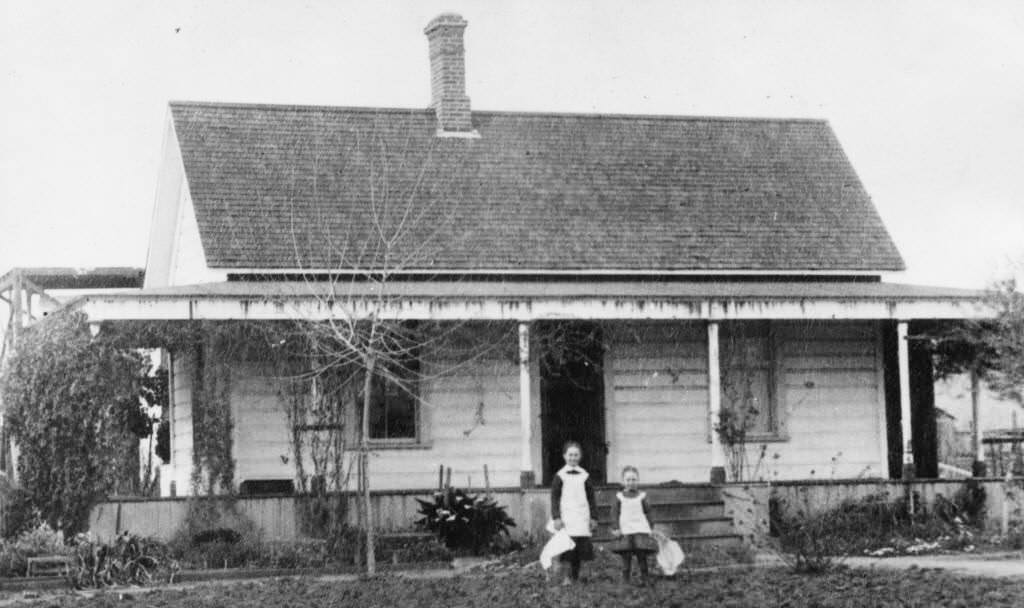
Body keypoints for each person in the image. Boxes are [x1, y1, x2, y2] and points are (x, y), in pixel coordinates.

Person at [550, 441, 597, 584]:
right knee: (568, 547)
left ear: (580, 456)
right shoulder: (560, 476)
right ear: (564, 456)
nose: (573, 458)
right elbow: (554, 498)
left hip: (582, 516)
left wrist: (594, 517)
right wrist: (556, 517)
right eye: (570, 455)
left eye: (576, 455)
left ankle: (580, 575)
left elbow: (591, 498)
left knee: (582, 547)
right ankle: (567, 576)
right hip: (567, 516)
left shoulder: (585, 475)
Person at [610, 465, 658, 585]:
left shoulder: (642, 496)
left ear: (638, 480)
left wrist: (651, 526)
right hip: (625, 529)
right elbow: (614, 513)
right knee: (626, 555)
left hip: (640, 528)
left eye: (633, 479)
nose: (631, 482)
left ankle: (645, 577)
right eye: (628, 480)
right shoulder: (619, 497)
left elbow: (648, 511)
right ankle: (626, 579)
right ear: (623, 481)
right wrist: (616, 527)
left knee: (641, 554)